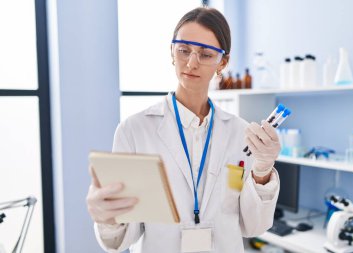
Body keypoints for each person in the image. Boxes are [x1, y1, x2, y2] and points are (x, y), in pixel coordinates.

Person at [86, 7, 280, 253]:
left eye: (206, 54)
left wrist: (262, 172)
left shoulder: (240, 132)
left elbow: (252, 226)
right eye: (184, 50)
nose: (191, 63)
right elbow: (123, 238)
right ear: (171, 52)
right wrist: (108, 217)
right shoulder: (135, 130)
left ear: (223, 62)